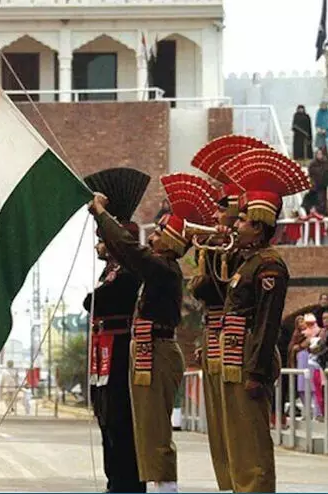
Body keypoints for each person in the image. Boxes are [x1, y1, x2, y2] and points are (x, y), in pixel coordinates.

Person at [89, 172, 218, 493]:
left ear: (171, 242)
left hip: (158, 352)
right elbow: (128, 252)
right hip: (149, 350)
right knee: (145, 427)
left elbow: (129, 249)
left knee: (155, 429)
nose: (153, 237)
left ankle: (165, 488)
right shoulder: (159, 269)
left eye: (159, 233)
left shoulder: (162, 268)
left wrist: (102, 214)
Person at [217, 147, 310, 492]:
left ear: (258, 226)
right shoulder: (248, 261)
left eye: (242, 220)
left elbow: (268, 322)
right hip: (235, 356)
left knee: (252, 440)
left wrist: (256, 372)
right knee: (237, 439)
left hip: (249, 358)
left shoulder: (270, 265)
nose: (236, 224)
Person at [188, 135, 260, 492]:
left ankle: (242, 485)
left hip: (238, 346)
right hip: (218, 338)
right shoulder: (225, 248)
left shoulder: (254, 259)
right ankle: (229, 485)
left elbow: (212, 289)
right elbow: (203, 289)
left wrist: (216, 249)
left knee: (241, 432)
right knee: (220, 428)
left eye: (223, 211)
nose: (215, 217)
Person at [82, 167, 149, 493]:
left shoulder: (130, 271)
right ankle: (115, 481)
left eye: (102, 240)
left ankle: (127, 483)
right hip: (104, 349)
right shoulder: (112, 272)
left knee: (121, 420)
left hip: (121, 351)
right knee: (106, 419)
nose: (98, 246)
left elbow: (96, 302)